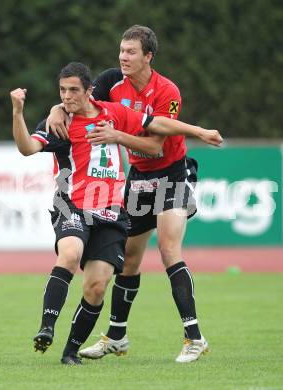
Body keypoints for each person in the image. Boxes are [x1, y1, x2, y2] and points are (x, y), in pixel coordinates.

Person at [11, 62, 221, 365]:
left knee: (128, 270)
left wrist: (199, 131)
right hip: (92, 198)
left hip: (138, 195)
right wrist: (29, 111)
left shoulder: (132, 105)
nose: (67, 96)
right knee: (94, 257)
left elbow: (156, 132)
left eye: (73, 90)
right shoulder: (79, 109)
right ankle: (75, 331)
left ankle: (190, 337)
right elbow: (31, 144)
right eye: (62, 91)